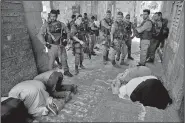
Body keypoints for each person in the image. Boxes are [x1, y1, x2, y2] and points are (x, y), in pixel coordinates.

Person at [37, 10, 73, 77]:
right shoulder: (46, 25)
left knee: (64, 59)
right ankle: (50, 75)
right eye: (51, 16)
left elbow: (68, 32)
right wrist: (45, 43)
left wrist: (67, 39)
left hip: (61, 45)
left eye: (54, 16)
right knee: (51, 62)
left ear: (56, 16)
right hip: (52, 46)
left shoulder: (61, 24)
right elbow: (39, 35)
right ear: (49, 16)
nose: (53, 18)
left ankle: (66, 71)